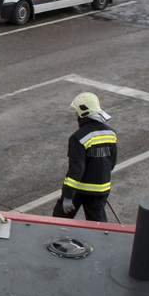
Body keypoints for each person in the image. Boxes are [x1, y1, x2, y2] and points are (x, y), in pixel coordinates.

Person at [52, 93, 118, 223]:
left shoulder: (78, 137)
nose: (75, 113)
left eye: (76, 110)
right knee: (97, 224)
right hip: (102, 188)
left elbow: (76, 170)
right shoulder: (111, 133)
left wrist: (68, 196)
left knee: (59, 220)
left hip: (80, 189)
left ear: (82, 112)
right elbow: (112, 163)